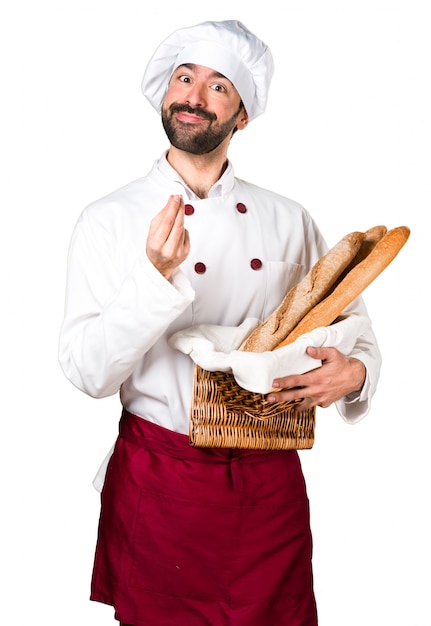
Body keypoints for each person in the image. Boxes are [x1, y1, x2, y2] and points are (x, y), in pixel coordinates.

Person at [59, 20, 381, 626]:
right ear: (164, 95)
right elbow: (88, 372)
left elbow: (355, 329)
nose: (194, 95)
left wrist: (357, 373)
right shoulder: (107, 220)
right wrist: (155, 279)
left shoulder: (289, 219)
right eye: (185, 78)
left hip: (269, 486)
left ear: (242, 117)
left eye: (218, 86)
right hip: (161, 483)